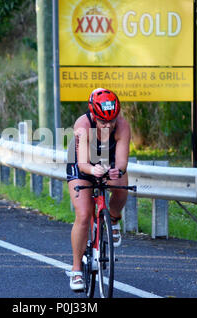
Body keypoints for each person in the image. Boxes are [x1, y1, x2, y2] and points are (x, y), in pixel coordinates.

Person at [65, 88, 131, 291]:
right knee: (84, 215)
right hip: (82, 164)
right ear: (93, 114)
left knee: (121, 186)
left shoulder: (122, 126)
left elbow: (121, 163)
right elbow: (83, 162)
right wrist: (93, 170)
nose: (108, 125)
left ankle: (112, 218)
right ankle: (76, 270)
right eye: (103, 121)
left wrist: (116, 172)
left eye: (111, 121)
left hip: (107, 161)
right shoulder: (82, 125)